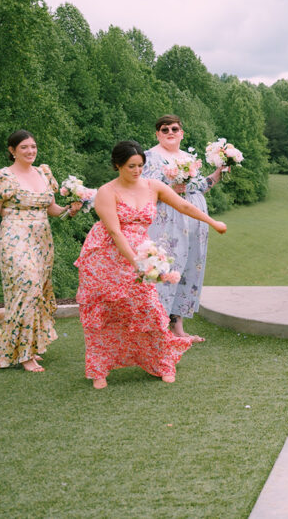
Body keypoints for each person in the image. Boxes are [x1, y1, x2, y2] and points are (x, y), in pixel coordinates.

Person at [76, 141, 226, 389]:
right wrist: (135, 262)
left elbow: (184, 205)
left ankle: (162, 363)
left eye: (140, 166)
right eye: (131, 166)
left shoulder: (152, 186)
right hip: (106, 257)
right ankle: (99, 369)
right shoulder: (106, 191)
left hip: (141, 253)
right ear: (117, 165)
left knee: (151, 308)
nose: (137, 171)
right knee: (107, 312)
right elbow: (114, 232)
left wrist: (213, 222)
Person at [0, 130, 82, 372]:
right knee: (27, 288)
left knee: (38, 290)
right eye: (24, 147)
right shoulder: (3, 177)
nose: (30, 151)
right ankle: (24, 355)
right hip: (14, 235)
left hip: (42, 238)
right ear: (12, 151)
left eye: (33, 146)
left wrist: (70, 210)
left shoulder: (43, 173)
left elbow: (53, 209)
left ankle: (30, 345)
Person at [143, 115, 224, 340]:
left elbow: (199, 186)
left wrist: (218, 173)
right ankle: (157, 326)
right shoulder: (149, 157)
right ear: (157, 134)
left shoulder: (189, 158)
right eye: (164, 129)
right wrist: (170, 187)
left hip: (194, 216)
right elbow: (144, 187)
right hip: (166, 218)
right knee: (164, 267)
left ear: (181, 133)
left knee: (189, 267)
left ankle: (178, 327)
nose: (170, 132)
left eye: (174, 129)